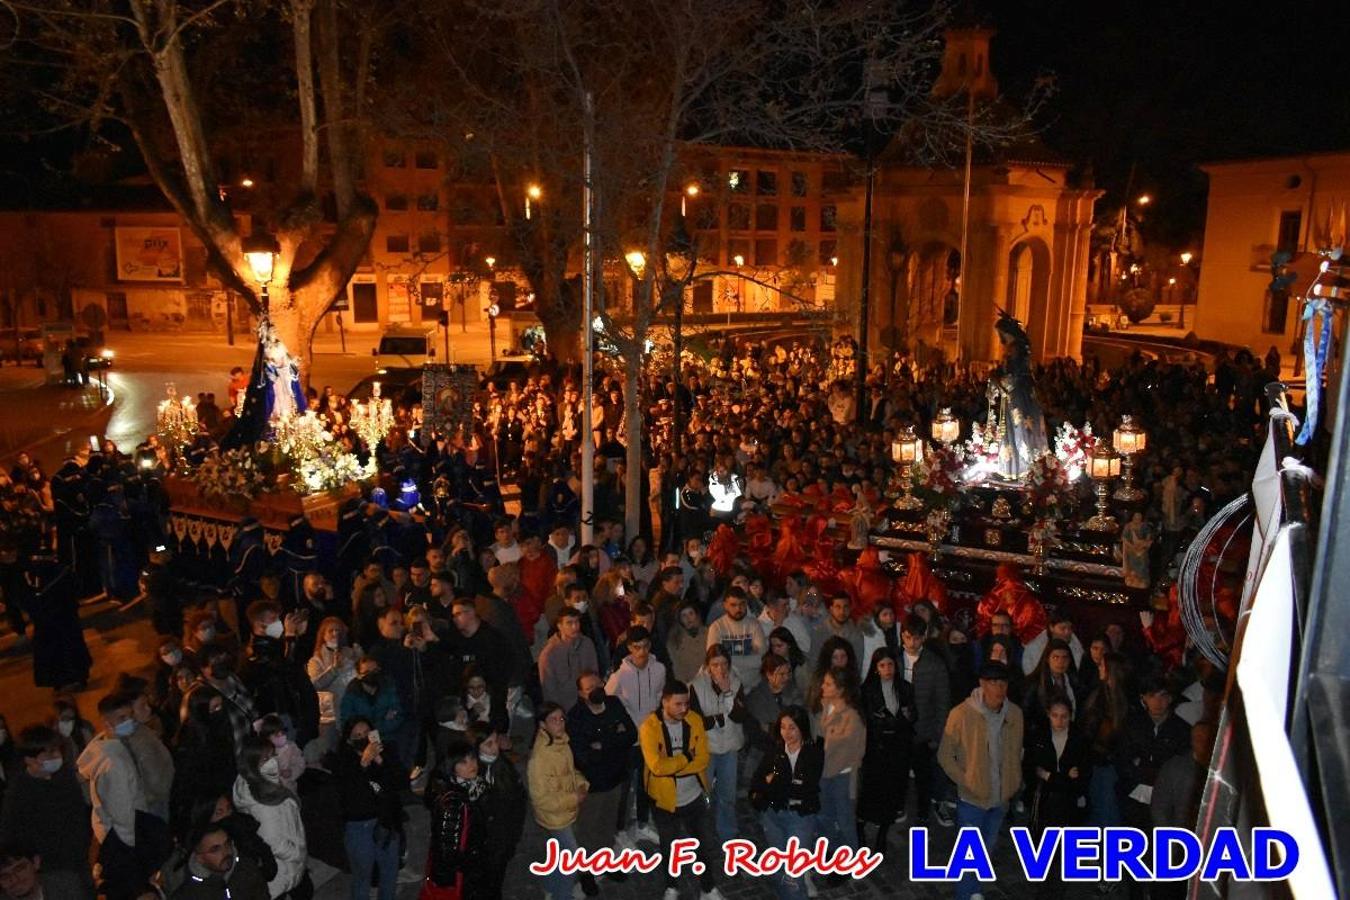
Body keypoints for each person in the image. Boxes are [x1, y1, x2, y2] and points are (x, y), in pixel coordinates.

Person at [938, 661, 1025, 900]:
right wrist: (965, 780)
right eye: (993, 682)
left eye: (1002, 682)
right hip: (972, 797)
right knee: (969, 849)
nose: (999, 688)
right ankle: (966, 892)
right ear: (982, 684)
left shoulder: (1014, 714)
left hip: (1001, 795)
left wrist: (1014, 779)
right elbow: (945, 754)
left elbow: (1017, 750)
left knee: (987, 845)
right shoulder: (961, 714)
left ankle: (974, 887)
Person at [75, 692, 171, 900]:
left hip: (122, 832)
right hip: (128, 837)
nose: (129, 722)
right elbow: (121, 813)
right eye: (121, 718)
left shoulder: (108, 747)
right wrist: (135, 848)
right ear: (106, 723)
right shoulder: (114, 762)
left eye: (130, 716)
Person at [638, 681, 724, 900]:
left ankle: (708, 888)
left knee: (703, 844)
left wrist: (672, 767)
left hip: (694, 797)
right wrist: (686, 758)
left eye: (686, 703)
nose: (684, 709)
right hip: (664, 801)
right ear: (664, 702)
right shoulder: (649, 727)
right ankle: (672, 886)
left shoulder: (694, 720)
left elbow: (703, 760)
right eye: (678, 704)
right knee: (670, 847)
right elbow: (656, 767)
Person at [748, 706, 822, 900]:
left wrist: (774, 780)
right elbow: (756, 782)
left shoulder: (813, 753)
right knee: (779, 868)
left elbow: (805, 789)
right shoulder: (776, 751)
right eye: (783, 727)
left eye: (792, 728)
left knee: (793, 873)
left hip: (800, 818)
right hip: (774, 815)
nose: (787, 733)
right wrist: (769, 786)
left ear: (802, 729)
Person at [0, 726, 91, 881]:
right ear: (30, 759)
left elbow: (79, 813)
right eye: (49, 753)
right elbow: (15, 836)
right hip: (51, 869)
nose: (56, 756)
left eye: (56, 750)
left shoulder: (65, 777)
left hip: (80, 859)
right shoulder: (19, 793)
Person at [327, 718, 402, 900]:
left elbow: (400, 782)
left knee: (390, 873)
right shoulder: (343, 762)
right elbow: (351, 794)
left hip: (386, 822)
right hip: (360, 827)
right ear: (349, 740)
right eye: (357, 735)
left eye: (366, 733)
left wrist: (380, 760)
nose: (363, 738)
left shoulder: (385, 752)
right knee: (363, 877)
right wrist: (364, 762)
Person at [1022, 697, 1089, 900]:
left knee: (1064, 852)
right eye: (1055, 716)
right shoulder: (1039, 737)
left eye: (1064, 717)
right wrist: (1063, 777)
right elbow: (1030, 769)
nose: (1059, 721)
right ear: (1048, 715)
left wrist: (1050, 776)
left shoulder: (1079, 739)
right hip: (1044, 802)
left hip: (1069, 804)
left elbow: (1082, 777)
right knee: (1043, 850)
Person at [604, 626, 665, 845]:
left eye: (645, 646)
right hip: (630, 740)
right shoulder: (620, 675)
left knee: (646, 783)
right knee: (625, 783)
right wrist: (621, 726)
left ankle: (642, 823)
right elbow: (608, 702)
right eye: (637, 647)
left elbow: (660, 696)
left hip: (650, 737)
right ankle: (620, 830)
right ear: (629, 648)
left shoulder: (659, 670)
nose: (642, 652)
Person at [526, 705, 594, 900]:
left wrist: (581, 784)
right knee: (570, 859)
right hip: (556, 818)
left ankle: (550, 886)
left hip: (564, 813)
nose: (559, 723)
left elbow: (570, 773)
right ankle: (561, 896)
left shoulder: (561, 744)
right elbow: (540, 799)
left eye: (561, 719)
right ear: (542, 724)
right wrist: (574, 798)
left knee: (560, 855)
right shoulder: (540, 758)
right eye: (553, 720)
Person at [567, 671, 636, 858]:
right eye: (590, 688)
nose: (596, 690)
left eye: (598, 685)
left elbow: (631, 735)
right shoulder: (576, 717)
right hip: (593, 785)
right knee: (588, 828)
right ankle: (586, 868)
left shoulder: (614, 703)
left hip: (617, 778)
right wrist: (615, 737)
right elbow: (584, 756)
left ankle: (605, 861)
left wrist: (602, 744)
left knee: (608, 824)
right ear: (581, 694)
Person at [231, 737, 306, 899]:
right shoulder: (261, 800)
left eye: (273, 755)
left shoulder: (265, 784)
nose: (273, 761)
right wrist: (298, 853)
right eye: (265, 759)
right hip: (282, 872)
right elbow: (273, 841)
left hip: (285, 868)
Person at [688, 645, 748, 843]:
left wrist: (728, 693)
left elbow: (739, 716)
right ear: (708, 666)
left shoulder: (736, 684)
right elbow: (695, 721)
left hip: (729, 746)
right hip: (706, 747)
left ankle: (727, 831)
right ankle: (701, 830)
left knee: (728, 793)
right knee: (703, 792)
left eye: (723, 664)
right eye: (715, 665)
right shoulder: (696, 686)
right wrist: (716, 719)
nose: (720, 669)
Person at [857, 648, 914, 850]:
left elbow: (911, 717)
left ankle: (883, 833)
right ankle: (860, 828)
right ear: (876, 668)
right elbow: (870, 721)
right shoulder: (868, 690)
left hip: (898, 750)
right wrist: (895, 721)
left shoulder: (904, 687)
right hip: (876, 750)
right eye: (883, 665)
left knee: (893, 794)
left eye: (890, 665)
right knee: (870, 792)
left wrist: (896, 721)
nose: (887, 669)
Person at [811, 666, 864, 870]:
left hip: (841, 775)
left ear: (840, 689)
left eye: (828, 684)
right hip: (824, 772)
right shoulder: (824, 707)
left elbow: (848, 749)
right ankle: (831, 850)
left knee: (845, 820)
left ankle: (849, 860)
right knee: (825, 814)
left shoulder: (851, 716)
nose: (823, 687)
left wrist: (825, 746)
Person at [901, 614, 951, 826]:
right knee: (898, 773)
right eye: (908, 637)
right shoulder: (893, 657)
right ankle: (898, 806)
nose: (912, 643)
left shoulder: (935, 664)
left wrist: (936, 735)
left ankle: (923, 811)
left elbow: (942, 703)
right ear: (902, 635)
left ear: (924, 637)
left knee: (924, 777)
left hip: (923, 731)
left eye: (917, 638)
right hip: (898, 730)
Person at [468, 727, 526, 898]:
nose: (495, 747)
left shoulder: (504, 767)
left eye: (495, 742)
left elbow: (518, 804)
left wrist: (512, 838)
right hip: (477, 841)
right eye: (489, 744)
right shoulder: (469, 770)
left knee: (495, 880)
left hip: (500, 838)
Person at [170, 821, 270, 900]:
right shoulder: (188, 894)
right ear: (199, 858)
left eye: (227, 844)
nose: (226, 852)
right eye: (215, 849)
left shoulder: (246, 869)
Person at [305, 617, 362, 754]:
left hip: (353, 709)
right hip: (330, 715)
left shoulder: (351, 653)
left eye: (338, 631)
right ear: (323, 635)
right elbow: (315, 685)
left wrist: (358, 656)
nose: (335, 634)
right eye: (331, 631)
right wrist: (334, 669)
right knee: (331, 752)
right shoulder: (316, 660)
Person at [704, 586, 766, 690]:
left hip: (753, 686)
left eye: (742, 604)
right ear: (725, 605)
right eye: (733, 605)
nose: (738, 609)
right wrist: (748, 651)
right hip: (726, 686)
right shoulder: (716, 627)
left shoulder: (755, 625)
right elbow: (714, 662)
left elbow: (761, 660)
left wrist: (728, 658)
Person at [537, 607, 598, 711]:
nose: (574, 627)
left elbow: (595, 674)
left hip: (589, 704)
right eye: (569, 623)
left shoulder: (587, 643)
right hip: (566, 708)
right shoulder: (549, 654)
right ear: (559, 626)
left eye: (577, 622)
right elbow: (549, 691)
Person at [0, 841, 90, 900]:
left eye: (19, 869)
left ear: (36, 862)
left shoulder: (65, 886)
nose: (15, 879)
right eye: (5, 876)